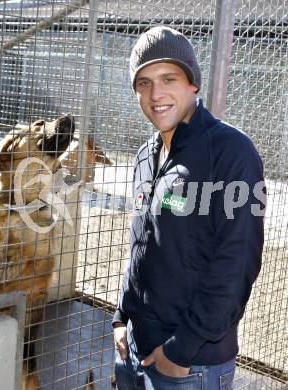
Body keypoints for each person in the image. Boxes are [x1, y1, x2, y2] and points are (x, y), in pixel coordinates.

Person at [112, 26, 265, 389]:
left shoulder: (231, 153)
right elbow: (142, 245)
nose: (156, 93)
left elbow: (237, 263)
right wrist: (122, 316)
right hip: (133, 350)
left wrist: (181, 351)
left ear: (192, 83)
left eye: (168, 78)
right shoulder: (146, 155)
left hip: (190, 365)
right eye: (144, 83)